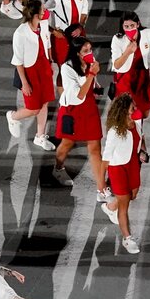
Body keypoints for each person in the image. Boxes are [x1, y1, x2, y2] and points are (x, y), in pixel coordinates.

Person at [53, 37, 106, 196]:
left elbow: (90, 86)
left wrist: (95, 83)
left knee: (95, 148)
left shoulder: (90, 61)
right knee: (67, 143)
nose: (89, 53)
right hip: (73, 110)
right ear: (76, 53)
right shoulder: (67, 68)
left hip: (89, 108)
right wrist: (91, 74)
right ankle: (58, 168)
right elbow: (78, 96)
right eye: (85, 51)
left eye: (90, 49)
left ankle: (101, 190)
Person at [6, 0, 56, 150]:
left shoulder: (44, 24)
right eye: (42, 9)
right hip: (30, 72)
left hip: (44, 68)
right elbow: (18, 61)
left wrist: (51, 62)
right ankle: (13, 117)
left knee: (45, 102)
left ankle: (40, 137)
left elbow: (47, 44)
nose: (44, 11)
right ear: (35, 14)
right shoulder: (20, 34)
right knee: (33, 108)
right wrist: (25, 83)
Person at [100, 93, 146, 255]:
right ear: (124, 111)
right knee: (125, 202)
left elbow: (141, 136)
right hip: (118, 168)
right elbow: (105, 158)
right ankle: (128, 238)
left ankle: (110, 207)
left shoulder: (137, 121)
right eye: (133, 107)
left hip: (133, 163)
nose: (136, 109)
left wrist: (143, 151)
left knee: (132, 195)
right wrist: (101, 184)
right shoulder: (115, 131)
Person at [110, 11, 150, 119]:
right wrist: (127, 52)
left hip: (142, 77)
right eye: (126, 26)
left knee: (144, 112)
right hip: (125, 78)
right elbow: (116, 65)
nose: (129, 29)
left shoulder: (147, 33)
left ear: (138, 24)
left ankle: (139, 132)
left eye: (132, 25)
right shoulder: (117, 39)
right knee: (127, 113)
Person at [45, 0, 91, 75]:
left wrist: (80, 26)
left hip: (79, 33)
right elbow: (40, 16)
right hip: (63, 37)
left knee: (83, 64)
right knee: (65, 69)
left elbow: (84, 6)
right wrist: (53, 31)